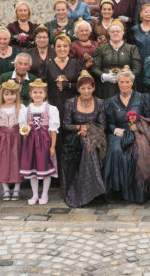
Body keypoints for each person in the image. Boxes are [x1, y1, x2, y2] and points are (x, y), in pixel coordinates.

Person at [103, 67, 150, 203]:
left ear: (132, 82)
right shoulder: (111, 101)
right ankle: (117, 191)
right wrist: (114, 130)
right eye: (121, 82)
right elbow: (109, 122)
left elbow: (149, 118)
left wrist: (140, 126)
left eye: (127, 82)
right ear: (117, 82)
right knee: (116, 150)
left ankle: (137, 193)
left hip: (138, 132)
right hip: (119, 133)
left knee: (137, 151)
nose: (124, 85)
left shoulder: (142, 98)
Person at [61, 70, 108, 208]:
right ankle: (90, 190)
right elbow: (66, 124)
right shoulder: (71, 103)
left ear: (93, 88)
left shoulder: (100, 103)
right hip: (74, 136)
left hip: (96, 135)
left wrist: (88, 129)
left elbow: (102, 125)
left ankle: (92, 190)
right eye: (83, 88)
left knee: (89, 144)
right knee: (85, 143)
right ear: (78, 89)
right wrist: (79, 128)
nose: (86, 91)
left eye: (89, 88)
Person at [18, 78, 59, 205]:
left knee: (45, 168)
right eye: (35, 92)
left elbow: (53, 130)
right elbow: (23, 129)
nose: (37, 95)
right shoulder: (25, 110)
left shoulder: (51, 109)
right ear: (30, 94)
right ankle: (35, 194)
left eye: (40, 92)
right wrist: (25, 137)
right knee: (33, 170)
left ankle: (45, 194)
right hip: (30, 142)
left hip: (45, 142)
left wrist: (53, 146)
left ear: (45, 94)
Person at [0, 79, 26, 201]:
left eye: (12, 94)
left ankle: (17, 188)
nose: (9, 97)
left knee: (17, 160)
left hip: (16, 137)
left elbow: (24, 124)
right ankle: (5, 188)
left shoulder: (20, 108)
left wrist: (24, 136)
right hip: (3, 137)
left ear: (16, 95)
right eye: (6, 94)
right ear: (2, 95)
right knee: (2, 161)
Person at [41, 34, 84, 129]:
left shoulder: (77, 64)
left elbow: (85, 86)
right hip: (53, 106)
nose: (62, 49)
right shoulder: (47, 65)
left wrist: (69, 85)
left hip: (73, 107)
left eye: (65, 46)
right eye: (59, 46)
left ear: (69, 47)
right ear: (54, 48)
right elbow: (42, 87)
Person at [92, 20, 142, 100]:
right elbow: (95, 68)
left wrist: (125, 77)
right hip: (107, 87)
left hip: (126, 85)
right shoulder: (101, 49)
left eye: (118, 31)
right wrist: (104, 76)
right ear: (109, 33)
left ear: (123, 33)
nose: (115, 33)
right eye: (112, 31)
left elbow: (137, 68)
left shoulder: (131, 48)